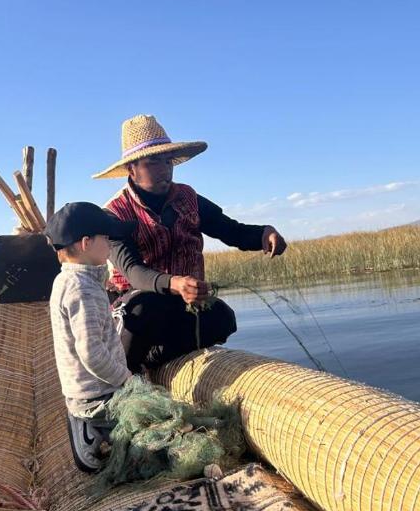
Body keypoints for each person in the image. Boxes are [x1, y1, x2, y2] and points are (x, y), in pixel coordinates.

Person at [92, 114, 288, 371]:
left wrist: (263, 234)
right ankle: (130, 371)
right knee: (145, 309)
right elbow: (134, 272)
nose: (165, 170)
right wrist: (174, 283)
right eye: (154, 163)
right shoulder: (115, 215)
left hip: (186, 303)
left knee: (223, 318)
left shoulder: (188, 198)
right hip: (137, 305)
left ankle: (157, 358)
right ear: (132, 169)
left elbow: (230, 230)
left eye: (168, 161)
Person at [46, 201, 136, 472]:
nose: (110, 245)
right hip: (98, 395)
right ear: (86, 243)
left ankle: (88, 420)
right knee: (152, 438)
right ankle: (89, 430)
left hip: (92, 389)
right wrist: (127, 380)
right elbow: (92, 354)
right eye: (106, 238)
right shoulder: (82, 290)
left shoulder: (71, 280)